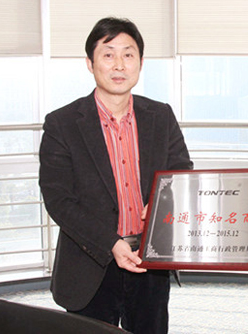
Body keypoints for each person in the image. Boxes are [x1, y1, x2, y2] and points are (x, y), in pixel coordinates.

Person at [39, 17, 193, 334]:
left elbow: (181, 173)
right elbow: (58, 200)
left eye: (128, 54)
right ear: (90, 63)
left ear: (140, 62)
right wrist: (111, 243)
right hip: (91, 264)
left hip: (149, 261)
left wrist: (162, 204)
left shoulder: (160, 115)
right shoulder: (62, 124)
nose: (119, 65)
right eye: (108, 55)